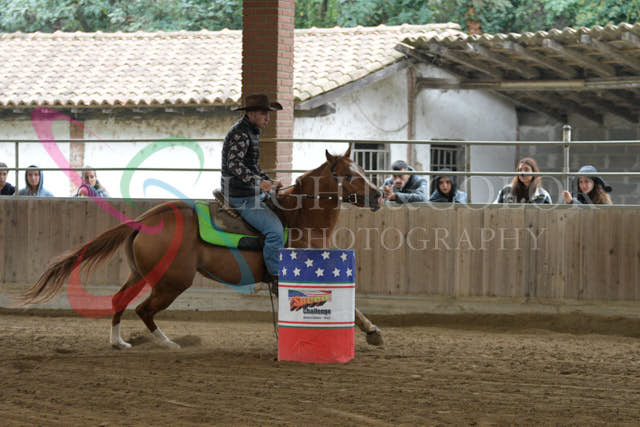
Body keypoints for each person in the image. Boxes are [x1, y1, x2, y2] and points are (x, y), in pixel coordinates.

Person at [221, 94, 284, 287]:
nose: (268, 118)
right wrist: (258, 182)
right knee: (275, 232)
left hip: (249, 191)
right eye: (264, 113)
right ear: (251, 114)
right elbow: (234, 164)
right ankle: (276, 278)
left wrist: (267, 181)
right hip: (241, 196)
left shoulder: (251, 132)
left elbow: (251, 166)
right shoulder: (241, 134)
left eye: (268, 114)